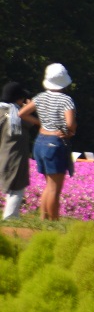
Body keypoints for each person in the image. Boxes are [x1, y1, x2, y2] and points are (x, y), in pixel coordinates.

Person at [29, 64, 77, 221]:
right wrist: (69, 131)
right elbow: (69, 124)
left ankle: (44, 219)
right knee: (55, 188)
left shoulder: (40, 97)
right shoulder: (66, 100)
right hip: (55, 143)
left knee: (48, 186)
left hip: (40, 141)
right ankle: (54, 221)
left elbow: (23, 113)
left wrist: (40, 124)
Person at [0, 81, 30, 220]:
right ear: (18, 98)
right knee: (16, 187)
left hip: (2, 153)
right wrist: (29, 107)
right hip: (14, 155)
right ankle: (10, 217)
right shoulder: (17, 114)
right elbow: (31, 123)